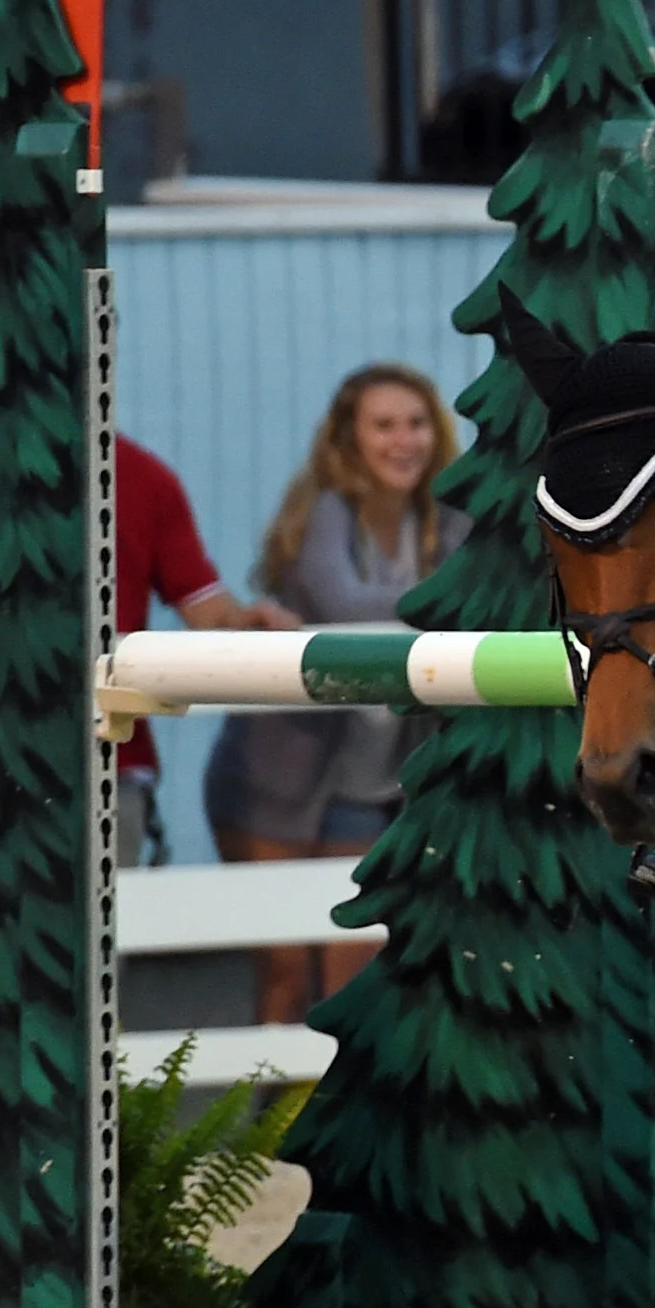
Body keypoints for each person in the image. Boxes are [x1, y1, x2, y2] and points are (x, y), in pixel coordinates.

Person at [203, 367, 467, 1022]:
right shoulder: (326, 514)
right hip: (276, 786)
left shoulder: (451, 517)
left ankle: (342, 1118)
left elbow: (478, 592)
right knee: (286, 973)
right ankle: (275, 1121)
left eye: (416, 423)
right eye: (383, 425)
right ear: (348, 440)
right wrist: (443, 606)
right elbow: (344, 604)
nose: (403, 441)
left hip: (371, 787)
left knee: (352, 968)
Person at [115, 434, 294, 871]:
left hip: (112, 764)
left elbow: (203, 604)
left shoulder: (140, 476)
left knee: (100, 924)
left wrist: (251, 624)